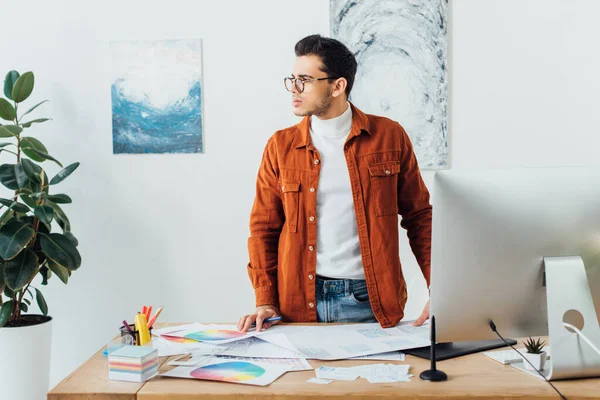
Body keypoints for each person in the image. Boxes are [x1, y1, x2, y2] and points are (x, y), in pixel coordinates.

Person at [238, 34, 432, 333]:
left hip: (370, 299)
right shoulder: (280, 145)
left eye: (305, 79)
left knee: (381, 381)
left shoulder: (389, 136)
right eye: (292, 79)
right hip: (298, 301)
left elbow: (420, 218)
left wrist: (441, 288)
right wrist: (265, 299)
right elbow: (264, 228)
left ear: (338, 85)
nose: (294, 88)